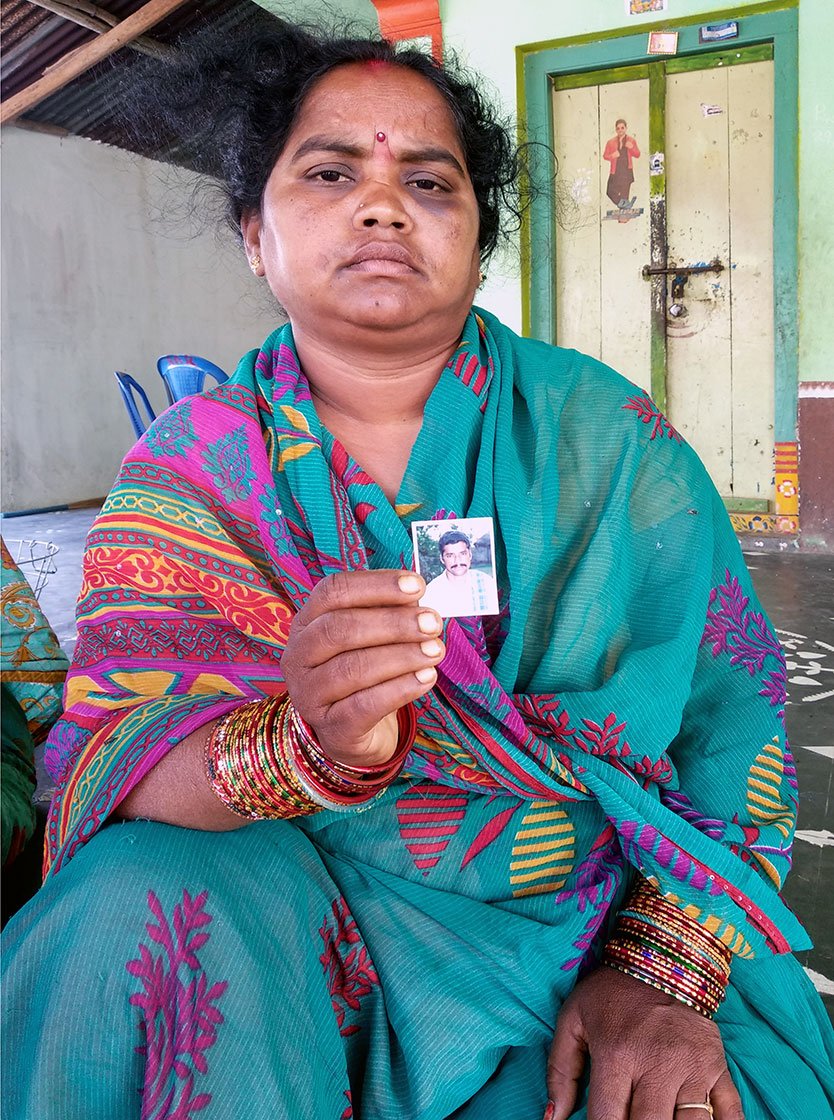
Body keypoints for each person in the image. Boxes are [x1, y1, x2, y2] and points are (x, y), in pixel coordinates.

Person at [3, 21, 833, 1120]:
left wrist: (660, 972)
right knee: (123, 914)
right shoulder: (193, 470)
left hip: (592, 914)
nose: (384, 205)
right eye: (332, 171)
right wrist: (307, 745)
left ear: (479, 239)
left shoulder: (608, 438)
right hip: (294, 910)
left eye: (431, 182)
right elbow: (118, 760)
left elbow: (734, 728)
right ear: (254, 232)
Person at [420, 529, 499, 617]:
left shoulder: (487, 583)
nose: (457, 560)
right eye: (450, 555)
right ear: (442, 559)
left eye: (462, 554)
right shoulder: (430, 593)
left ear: (470, 555)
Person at [603, 118, 640, 207]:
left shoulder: (631, 140)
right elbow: (605, 156)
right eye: (618, 128)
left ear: (626, 128)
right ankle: (624, 205)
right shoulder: (610, 142)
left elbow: (637, 154)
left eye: (622, 128)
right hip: (615, 171)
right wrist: (612, 156)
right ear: (616, 130)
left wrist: (631, 148)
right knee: (609, 191)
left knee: (624, 195)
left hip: (626, 171)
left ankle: (624, 217)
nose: (620, 130)